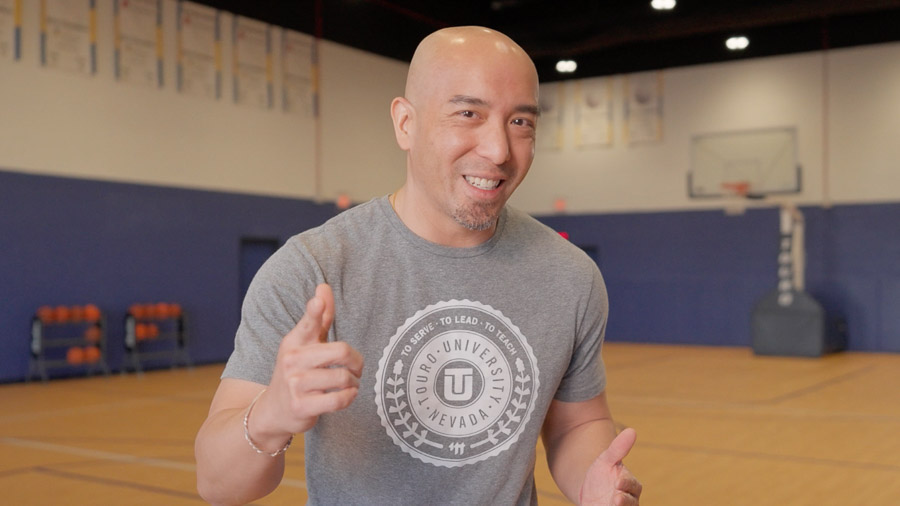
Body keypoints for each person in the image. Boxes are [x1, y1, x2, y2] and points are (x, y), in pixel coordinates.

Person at [195, 26, 642, 506]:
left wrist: (593, 483)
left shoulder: (570, 276)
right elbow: (218, 486)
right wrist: (269, 416)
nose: (498, 150)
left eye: (521, 123)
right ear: (405, 123)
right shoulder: (311, 270)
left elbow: (578, 423)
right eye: (468, 113)